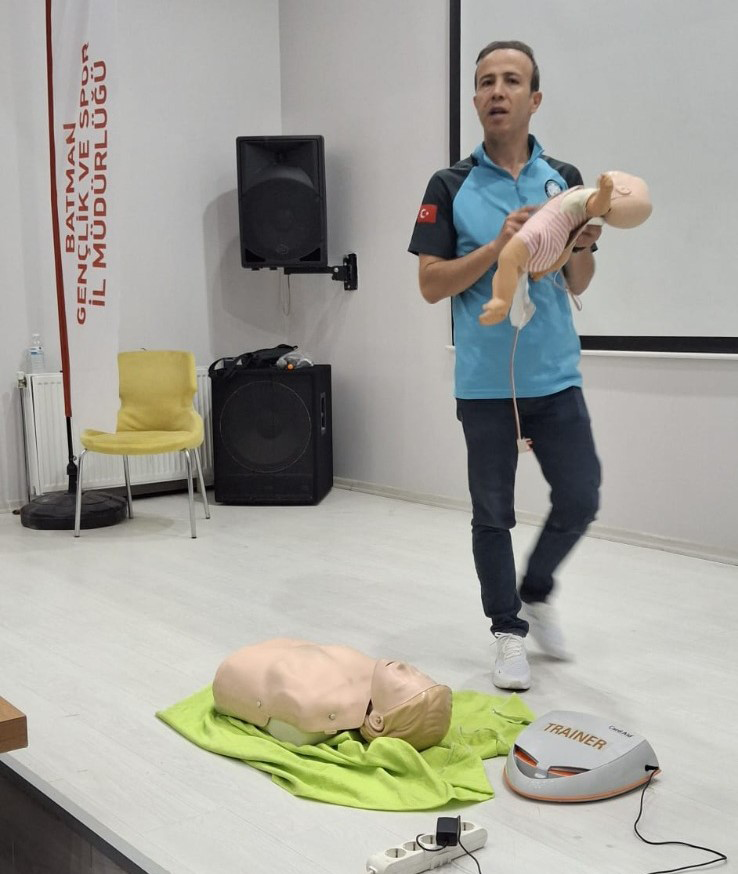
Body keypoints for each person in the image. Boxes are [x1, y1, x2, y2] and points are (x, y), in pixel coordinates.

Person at [408, 41, 602, 691]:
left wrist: (579, 244)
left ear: (534, 98)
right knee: (492, 513)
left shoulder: (564, 178)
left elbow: (580, 279)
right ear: (475, 100)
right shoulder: (449, 184)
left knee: (581, 497)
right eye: (486, 81)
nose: (497, 91)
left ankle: (536, 591)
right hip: (486, 383)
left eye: (511, 80)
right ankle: (507, 631)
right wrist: (498, 245)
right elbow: (431, 285)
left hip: (556, 374)